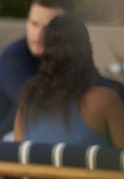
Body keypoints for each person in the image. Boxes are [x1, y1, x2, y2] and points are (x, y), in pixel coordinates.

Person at [14, 14, 124, 147]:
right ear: (89, 49)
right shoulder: (105, 101)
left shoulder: (27, 105)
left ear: (46, 55)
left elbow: (19, 160)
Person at [0, 0, 72, 144]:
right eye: (34, 24)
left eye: (49, 28)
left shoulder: (68, 57)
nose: (38, 35)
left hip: (41, 145)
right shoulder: (13, 57)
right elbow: (35, 105)